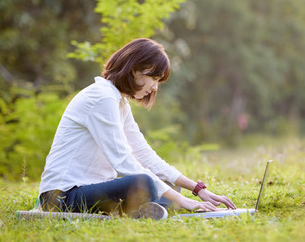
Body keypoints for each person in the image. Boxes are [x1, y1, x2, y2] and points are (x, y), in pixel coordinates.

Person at [38, 38, 236, 219]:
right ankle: (151, 208)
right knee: (146, 184)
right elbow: (124, 162)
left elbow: (144, 154)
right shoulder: (102, 98)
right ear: (135, 69)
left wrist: (197, 189)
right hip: (61, 197)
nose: (155, 87)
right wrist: (182, 201)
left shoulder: (119, 102)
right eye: (154, 78)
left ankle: (148, 209)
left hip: (87, 191)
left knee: (169, 185)